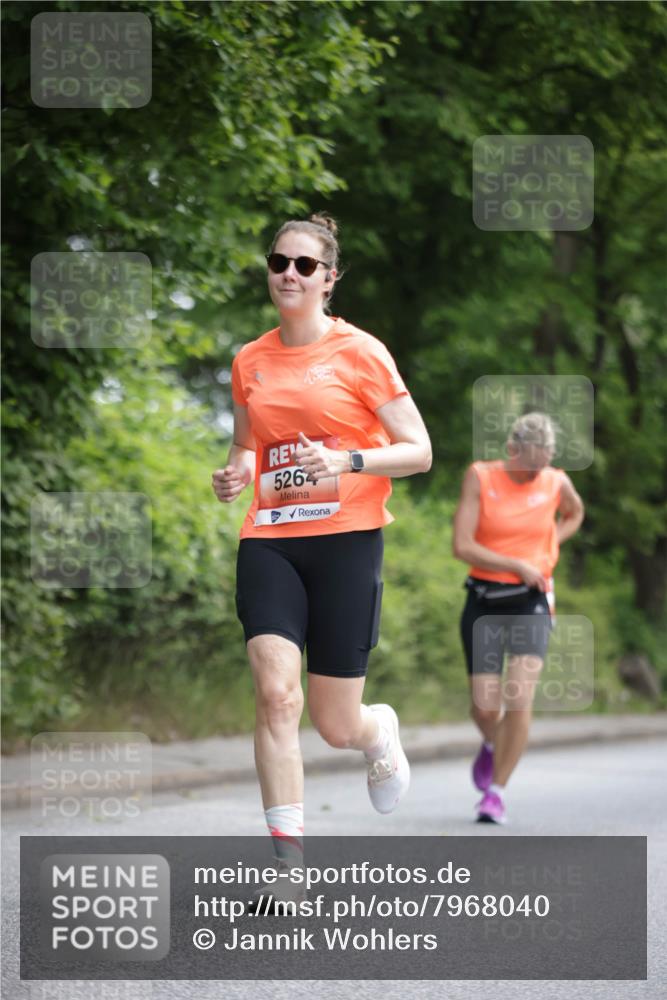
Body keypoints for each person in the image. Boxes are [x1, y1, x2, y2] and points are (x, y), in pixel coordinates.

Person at [212, 213, 431, 893]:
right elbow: (247, 445)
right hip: (270, 541)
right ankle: (287, 866)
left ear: (329, 279)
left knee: (335, 724)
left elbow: (419, 451)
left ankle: (375, 732)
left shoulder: (361, 352)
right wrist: (236, 471)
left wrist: (346, 460)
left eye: (305, 265)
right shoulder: (249, 359)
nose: (288, 274)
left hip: (345, 543)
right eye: (279, 261)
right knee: (276, 696)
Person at [452, 412, 584, 824]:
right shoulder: (481, 477)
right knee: (486, 708)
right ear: (512, 451)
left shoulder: (556, 481)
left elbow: (575, 513)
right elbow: (462, 545)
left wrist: (548, 547)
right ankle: (492, 743)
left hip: (532, 601)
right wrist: (515, 563)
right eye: (529, 466)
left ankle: (496, 793)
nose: (535, 474)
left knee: (519, 694)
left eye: (542, 465)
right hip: (485, 598)